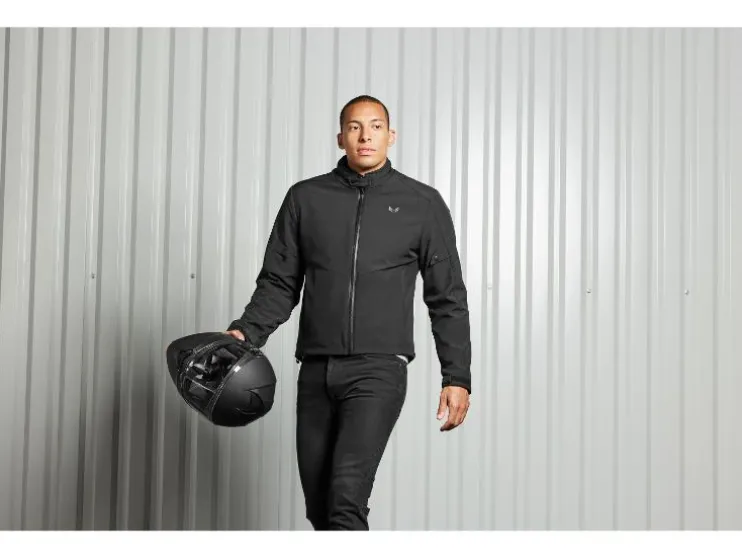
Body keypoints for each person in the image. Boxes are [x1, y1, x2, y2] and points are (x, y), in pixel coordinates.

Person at [225, 95, 471, 530]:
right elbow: (279, 282)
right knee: (319, 509)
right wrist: (246, 333)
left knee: (345, 501)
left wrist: (457, 376)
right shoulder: (305, 198)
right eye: (355, 127)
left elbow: (446, 296)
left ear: (391, 136)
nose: (365, 136)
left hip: (378, 371)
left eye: (375, 127)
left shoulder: (422, 203)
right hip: (316, 371)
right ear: (341, 137)